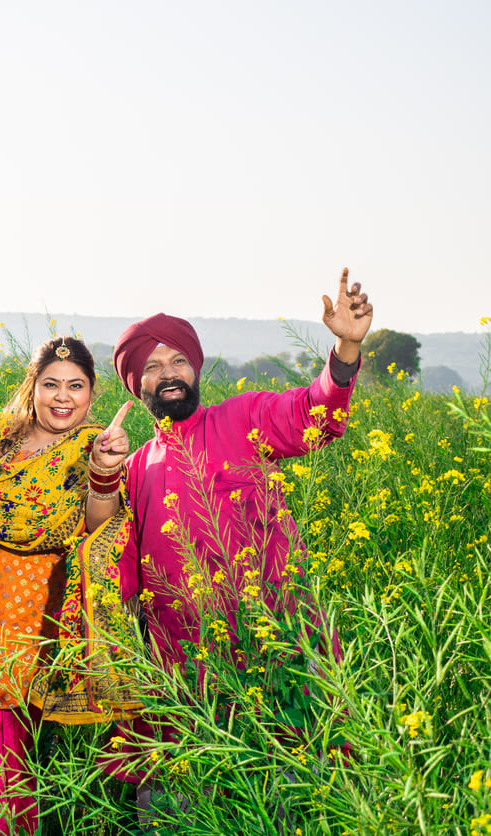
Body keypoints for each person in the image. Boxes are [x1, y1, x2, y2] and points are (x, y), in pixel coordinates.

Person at [108, 270, 372, 786]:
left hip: (275, 650)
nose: (169, 373)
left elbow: (313, 411)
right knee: (186, 806)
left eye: (179, 360)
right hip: (185, 675)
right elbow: (119, 580)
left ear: (196, 368)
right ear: (136, 384)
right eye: (153, 365)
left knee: (294, 795)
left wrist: (344, 349)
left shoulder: (242, 417)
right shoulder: (134, 468)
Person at [0, 335, 139, 835]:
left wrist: (105, 474)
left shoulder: (95, 443)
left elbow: (98, 524)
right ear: (33, 387)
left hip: (37, 604)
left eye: (76, 387)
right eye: (51, 385)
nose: (63, 397)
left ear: (92, 392)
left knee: (3, 736)